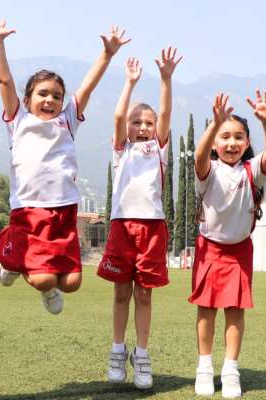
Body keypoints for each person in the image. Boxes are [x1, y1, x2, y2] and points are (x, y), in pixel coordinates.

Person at [0, 17, 129, 314]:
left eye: (56, 96)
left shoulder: (67, 121)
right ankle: (10, 258)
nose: (50, 100)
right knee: (44, 279)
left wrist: (108, 54)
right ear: (27, 100)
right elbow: (4, 81)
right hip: (28, 209)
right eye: (42, 94)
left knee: (72, 282)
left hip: (64, 211)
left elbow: (87, 88)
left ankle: (33, 273)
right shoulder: (18, 121)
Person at [97, 49, 182, 389]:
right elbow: (118, 116)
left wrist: (165, 78)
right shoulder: (121, 149)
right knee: (121, 293)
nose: (143, 126)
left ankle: (141, 355)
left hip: (152, 227)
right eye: (137, 122)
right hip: (122, 226)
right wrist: (129, 83)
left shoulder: (157, 149)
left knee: (144, 295)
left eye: (148, 122)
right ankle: (117, 350)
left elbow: (165, 112)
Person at [190, 92, 266, 398]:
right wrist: (213, 125)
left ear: (248, 142)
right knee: (206, 309)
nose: (231, 143)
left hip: (239, 252)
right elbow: (199, 157)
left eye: (239, 137)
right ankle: (204, 368)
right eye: (224, 137)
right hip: (209, 248)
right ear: (214, 143)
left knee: (236, 311)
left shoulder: (253, 172)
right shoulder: (208, 173)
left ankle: (231, 369)